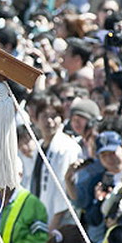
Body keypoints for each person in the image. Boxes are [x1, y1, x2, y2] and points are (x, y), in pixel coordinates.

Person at [28, 95, 82, 231]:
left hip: (60, 222)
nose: (49, 121)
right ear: (36, 119)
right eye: (45, 116)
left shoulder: (66, 146)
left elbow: (62, 191)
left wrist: (53, 226)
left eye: (54, 116)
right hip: (39, 215)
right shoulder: (39, 146)